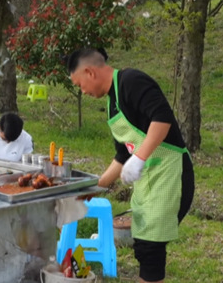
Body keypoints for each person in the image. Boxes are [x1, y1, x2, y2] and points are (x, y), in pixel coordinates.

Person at [67, 48, 194, 283]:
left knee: (151, 248)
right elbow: (122, 154)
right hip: (149, 180)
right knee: (144, 246)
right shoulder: (111, 103)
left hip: (170, 174)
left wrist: (140, 157)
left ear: (89, 72)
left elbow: (162, 118)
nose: (82, 91)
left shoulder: (131, 81)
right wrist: (96, 187)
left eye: (79, 84)